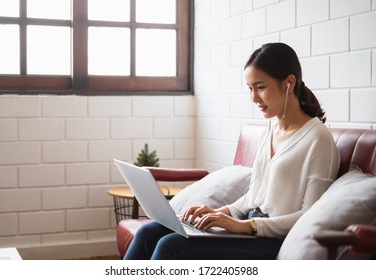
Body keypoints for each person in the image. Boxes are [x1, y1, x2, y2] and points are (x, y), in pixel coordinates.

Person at [124, 42, 340, 260]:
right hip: (249, 230)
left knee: (173, 246)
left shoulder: (318, 138)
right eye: (250, 88)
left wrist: (245, 225)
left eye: (261, 87)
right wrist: (221, 213)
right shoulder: (270, 131)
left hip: (274, 241)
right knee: (148, 232)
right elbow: (252, 199)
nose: (254, 98)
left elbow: (308, 216)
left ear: (289, 83)